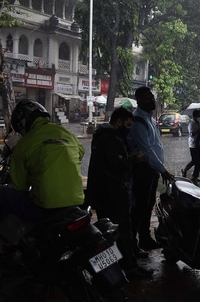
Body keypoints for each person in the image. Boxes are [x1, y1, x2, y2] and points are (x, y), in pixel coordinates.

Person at [87, 107, 153, 280]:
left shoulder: (102, 136)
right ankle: (130, 268)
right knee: (122, 231)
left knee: (109, 232)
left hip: (103, 193)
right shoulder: (110, 139)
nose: (129, 128)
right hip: (113, 193)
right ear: (119, 122)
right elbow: (117, 166)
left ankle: (112, 269)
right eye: (128, 124)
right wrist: (133, 159)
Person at [0, 99, 84, 222]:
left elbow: (20, 187)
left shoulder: (24, 144)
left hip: (45, 206)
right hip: (76, 201)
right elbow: (80, 153)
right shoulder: (66, 133)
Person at [129, 86, 175, 253]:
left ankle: (145, 238)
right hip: (142, 170)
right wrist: (162, 170)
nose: (152, 100)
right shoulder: (138, 121)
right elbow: (146, 150)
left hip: (151, 170)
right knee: (139, 207)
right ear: (139, 100)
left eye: (152, 97)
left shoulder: (149, 118)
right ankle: (132, 244)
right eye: (147, 97)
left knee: (147, 206)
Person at [181, 109, 200, 185]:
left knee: (199, 161)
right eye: (198, 116)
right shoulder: (191, 123)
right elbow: (192, 134)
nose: (199, 118)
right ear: (195, 116)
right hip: (193, 144)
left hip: (199, 144)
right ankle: (185, 169)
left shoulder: (199, 123)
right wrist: (198, 129)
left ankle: (195, 176)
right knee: (195, 160)